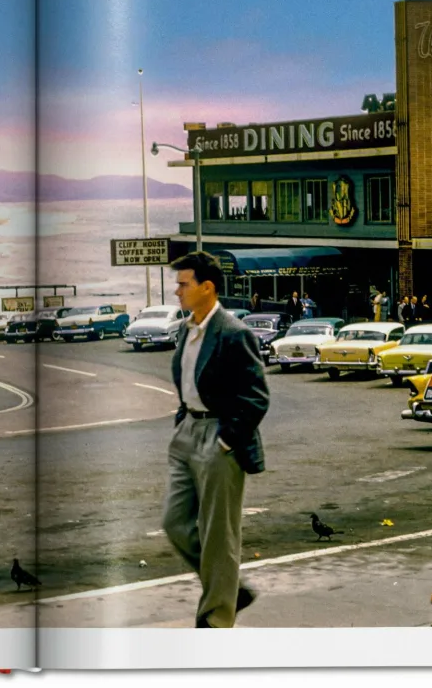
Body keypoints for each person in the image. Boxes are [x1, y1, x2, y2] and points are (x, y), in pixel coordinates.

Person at [165, 251, 270, 628]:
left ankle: (216, 618)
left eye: (183, 284)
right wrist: (183, 422)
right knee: (174, 522)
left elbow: (257, 396)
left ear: (207, 287)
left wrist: (226, 440)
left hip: (218, 435)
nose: (177, 291)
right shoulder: (185, 329)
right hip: (187, 432)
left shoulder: (233, 332)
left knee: (218, 534)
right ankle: (230, 588)